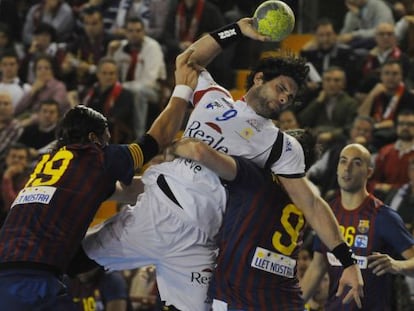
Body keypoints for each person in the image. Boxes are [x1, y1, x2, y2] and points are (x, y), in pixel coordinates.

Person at [81, 18, 364, 311]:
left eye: (289, 97)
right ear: (259, 79)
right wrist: (237, 30)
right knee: (69, 259)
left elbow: (312, 204)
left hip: (200, 237)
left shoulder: (281, 144)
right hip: (155, 207)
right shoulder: (215, 98)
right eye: (281, 88)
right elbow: (187, 61)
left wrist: (347, 261)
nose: (283, 98)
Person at [0, 48, 198, 310]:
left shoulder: (49, 164)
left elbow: (122, 191)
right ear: (94, 139)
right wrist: (182, 90)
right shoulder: (95, 156)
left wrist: (165, 183)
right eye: (106, 137)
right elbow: (157, 139)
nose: (109, 143)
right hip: (34, 278)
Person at [301, 143, 414, 310]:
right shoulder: (328, 213)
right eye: (343, 161)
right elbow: (317, 267)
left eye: (357, 162)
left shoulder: (383, 217)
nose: (347, 168)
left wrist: (397, 265)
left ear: (369, 172)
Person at [81, 57, 136, 144]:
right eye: (104, 73)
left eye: (111, 74)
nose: (108, 77)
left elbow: (118, 117)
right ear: (98, 74)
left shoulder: (125, 94)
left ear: (117, 75)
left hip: (114, 137)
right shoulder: (90, 93)